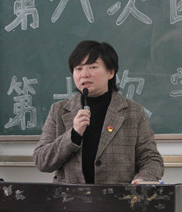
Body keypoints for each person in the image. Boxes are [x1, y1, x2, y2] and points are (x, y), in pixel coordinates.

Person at [34, 41, 164, 184]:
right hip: (70, 197)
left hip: (119, 196)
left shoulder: (133, 111)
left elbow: (151, 159)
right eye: (78, 68)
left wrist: (143, 180)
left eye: (93, 67)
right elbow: (42, 161)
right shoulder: (59, 110)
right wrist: (73, 135)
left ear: (110, 72)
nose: (84, 74)